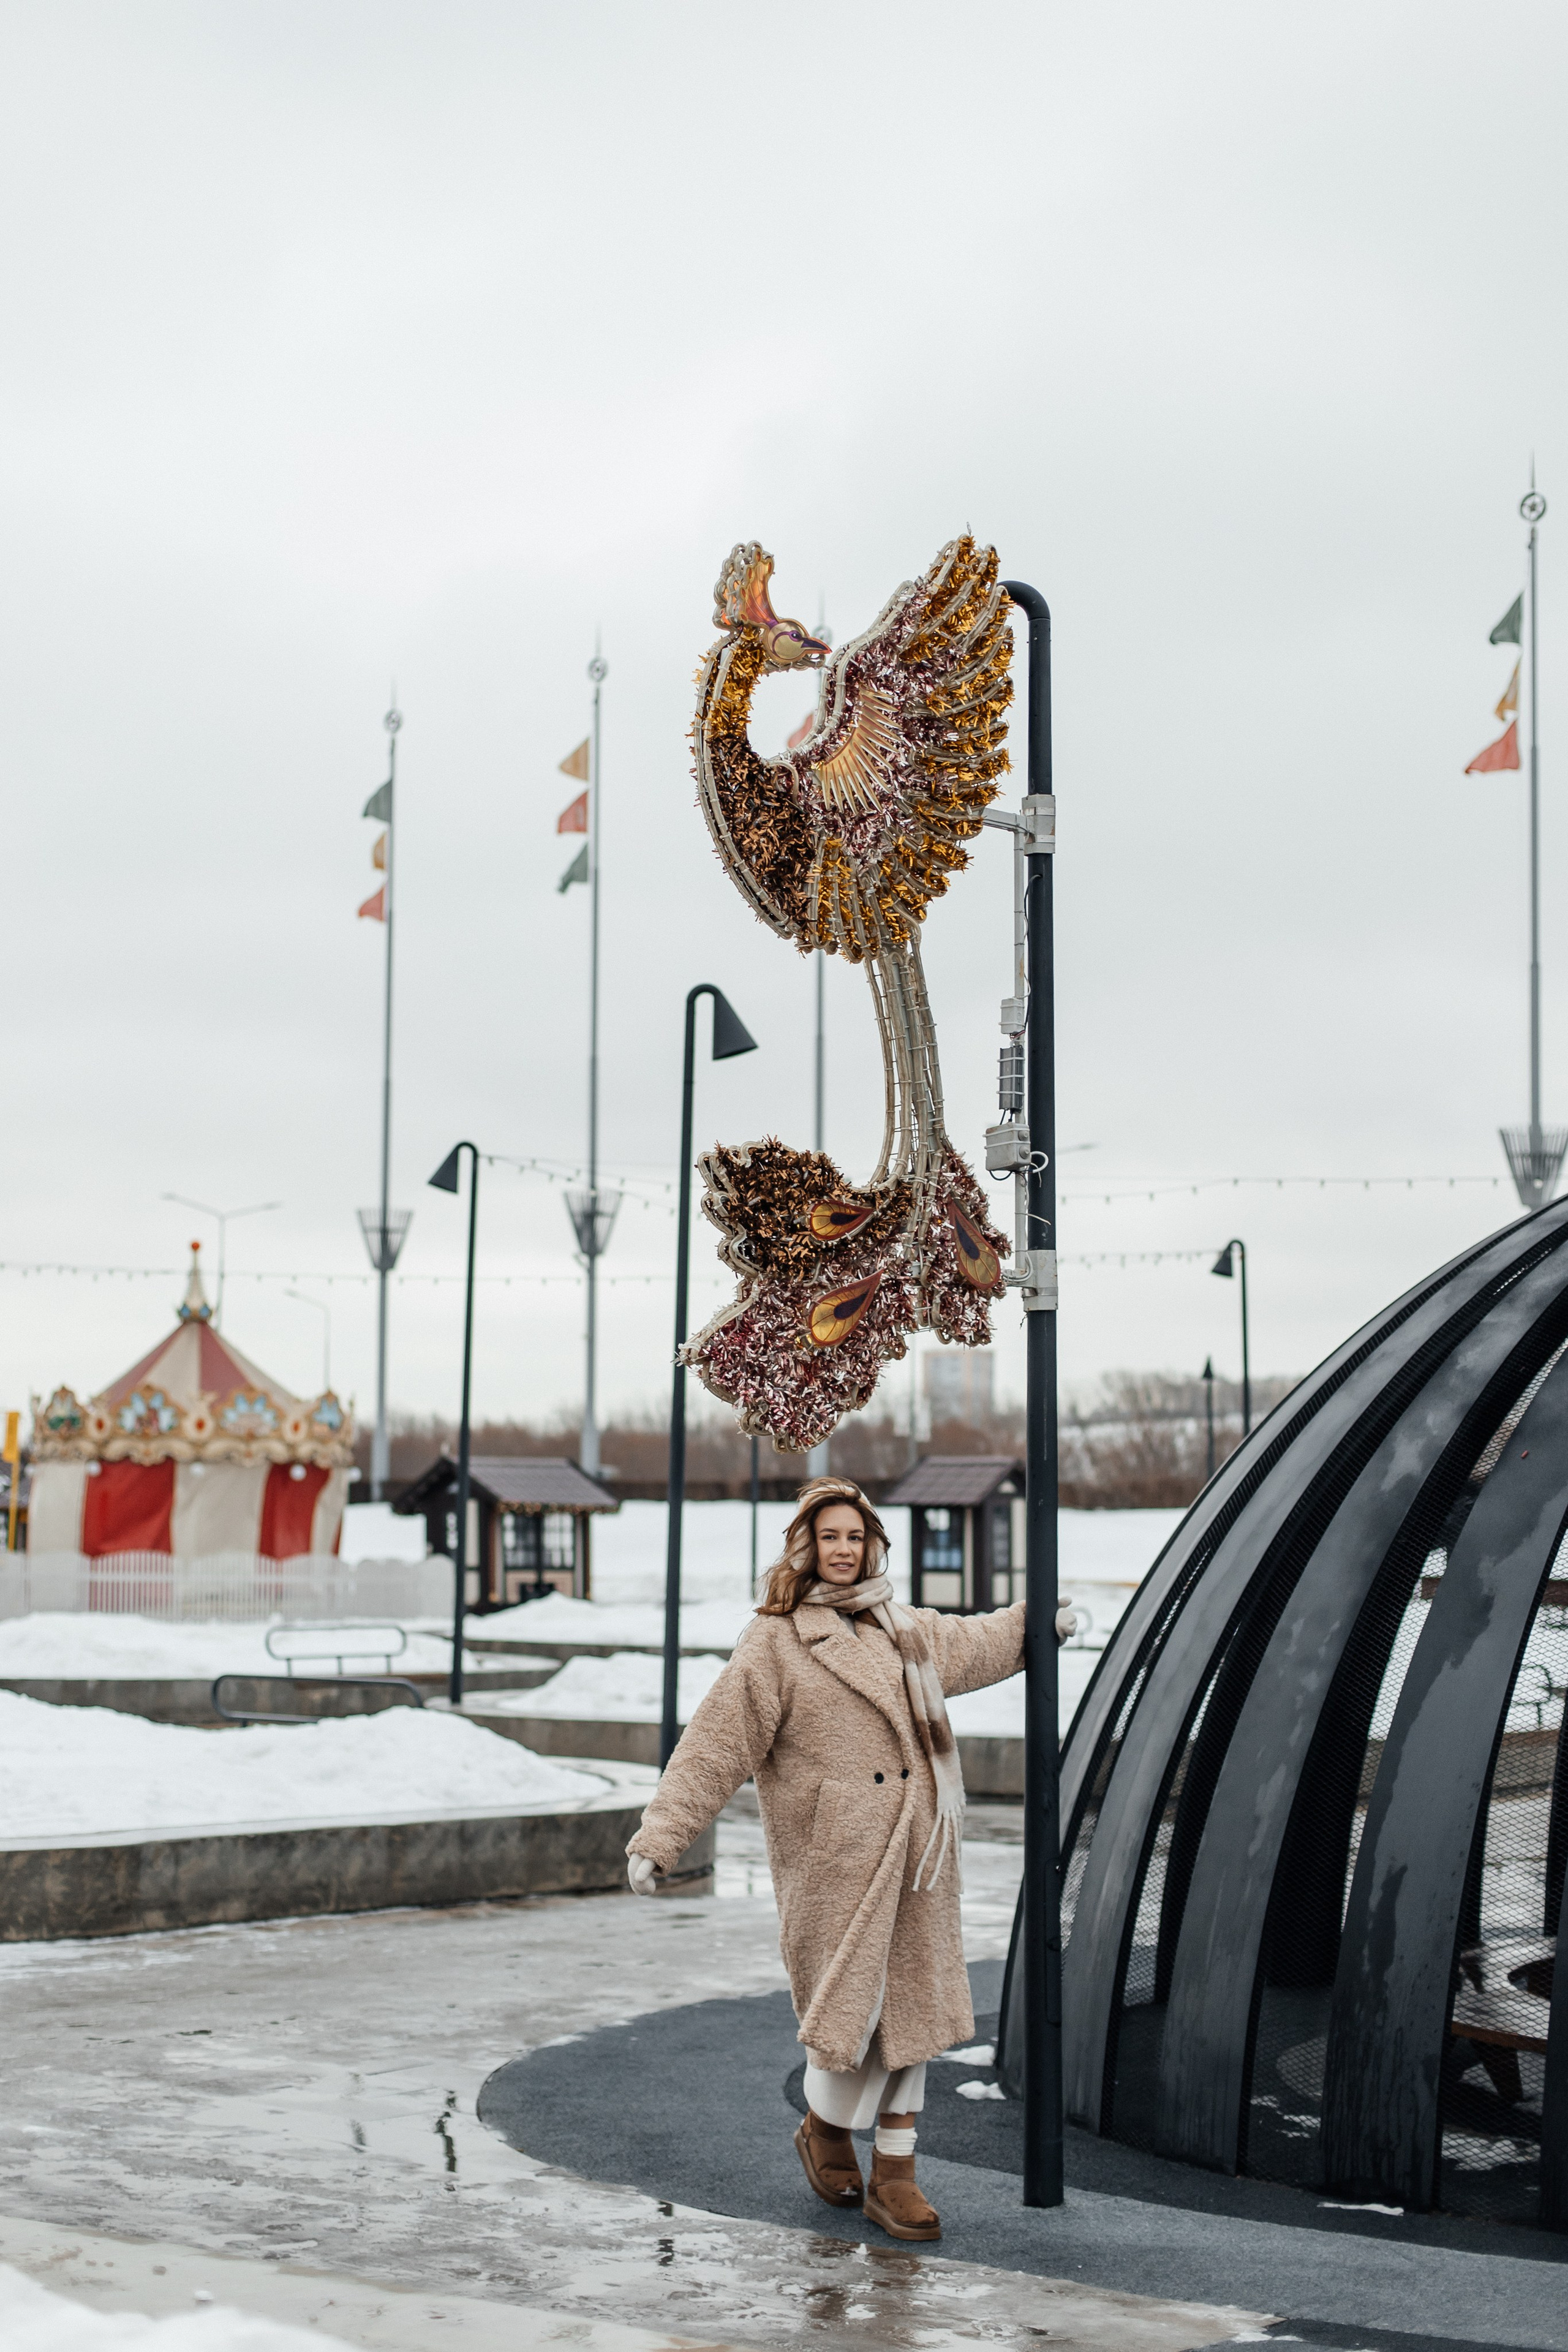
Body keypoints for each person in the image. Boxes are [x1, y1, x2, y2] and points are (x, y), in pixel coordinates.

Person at [625, 1474, 1072, 2242]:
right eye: (829, 1536)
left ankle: (895, 2174)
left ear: (873, 1545)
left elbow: (979, 1642)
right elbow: (715, 1743)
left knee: (913, 2017)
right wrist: (662, 1837)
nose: (843, 1549)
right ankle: (826, 2130)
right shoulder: (776, 1641)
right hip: (835, 1863)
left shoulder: (904, 1629)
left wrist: (1040, 1626)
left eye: (855, 1536)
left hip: (918, 1855)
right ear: (806, 1546)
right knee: (847, 2025)